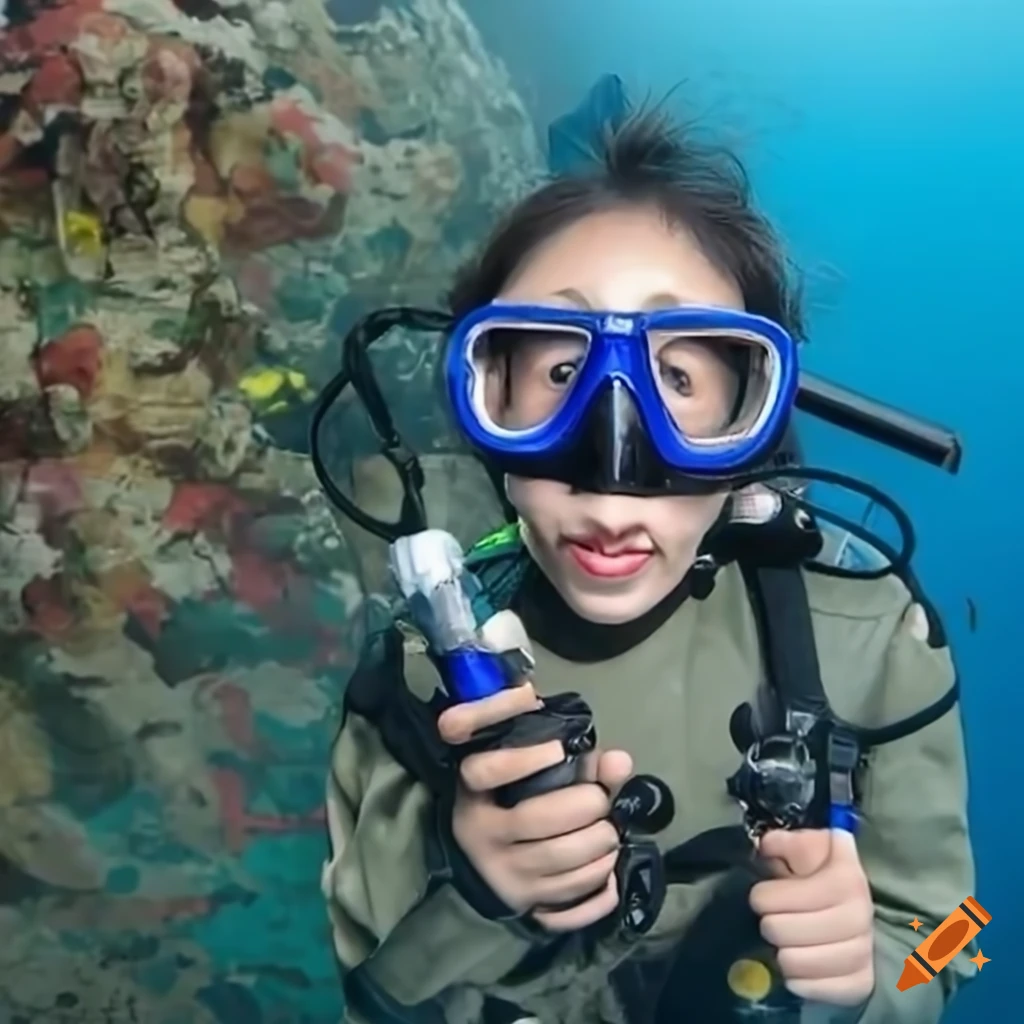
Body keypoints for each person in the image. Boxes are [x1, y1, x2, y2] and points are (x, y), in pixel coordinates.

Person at [318, 107, 974, 1024]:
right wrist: (472, 895)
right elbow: (366, 993)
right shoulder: (416, 670)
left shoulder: (873, 633)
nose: (613, 468)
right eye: (555, 373)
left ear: (756, 415)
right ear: (481, 389)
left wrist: (873, 977)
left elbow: (962, 931)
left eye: (679, 381)